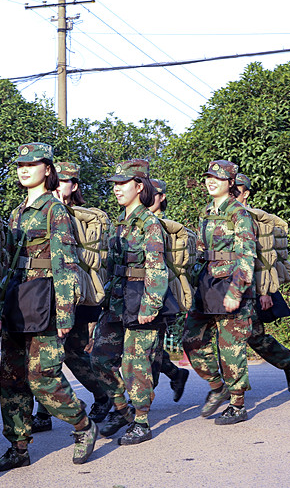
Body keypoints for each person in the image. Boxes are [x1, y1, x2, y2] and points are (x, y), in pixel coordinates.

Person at [0, 143, 97, 472]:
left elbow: (66, 263)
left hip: (45, 303)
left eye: (32, 164)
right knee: (11, 379)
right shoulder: (17, 213)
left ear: (47, 170)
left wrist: (65, 312)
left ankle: (83, 425)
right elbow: (4, 261)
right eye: (20, 164)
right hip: (17, 302)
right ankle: (18, 447)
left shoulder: (54, 210)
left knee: (43, 377)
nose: (24, 169)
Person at [29, 161, 113, 433]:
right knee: (46, 355)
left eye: (64, 181)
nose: (57, 185)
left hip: (79, 296)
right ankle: (44, 412)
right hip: (46, 294)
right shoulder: (41, 212)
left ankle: (103, 395)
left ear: (74, 186)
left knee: (72, 353)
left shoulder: (82, 218)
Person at [100, 159, 173, 444]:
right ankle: (122, 409)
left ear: (139, 186)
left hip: (140, 300)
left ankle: (141, 421)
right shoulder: (120, 222)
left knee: (135, 364)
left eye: (123, 184)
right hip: (117, 301)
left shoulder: (149, 224)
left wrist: (150, 306)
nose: (117, 189)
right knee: (100, 359)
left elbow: (157, 268)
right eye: (115, 184)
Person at [183, 160, 256, 425]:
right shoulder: (206, 212)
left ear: (231, 183)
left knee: (230, 346)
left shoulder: (239, 213)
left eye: (218, 177)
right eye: (208, 177)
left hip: (230, 284)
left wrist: (236, 290)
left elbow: (247, 256)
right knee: (191, 338)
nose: (211, 181)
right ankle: (217, 386)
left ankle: (237, 403)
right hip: (207, 285)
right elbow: (201, 251)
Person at [233, 173, 290, 393]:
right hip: (226, 286)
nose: (232, 194)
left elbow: (265, 259)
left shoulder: (256, 219)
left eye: (237, 190)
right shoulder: (221, 216)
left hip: (252, 287)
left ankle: (287, 362)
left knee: (253, 336)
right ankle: (228, 388)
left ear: (246, 194)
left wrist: (265, 292)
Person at [147, 178, 191, 401]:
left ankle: (141, 401)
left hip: (161, 294)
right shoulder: (135, 223)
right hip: (135, 293)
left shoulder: (169, 228)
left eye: (153, 194)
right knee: (146, 347)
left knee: (150, 347)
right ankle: (176, 373)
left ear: (162, 197)